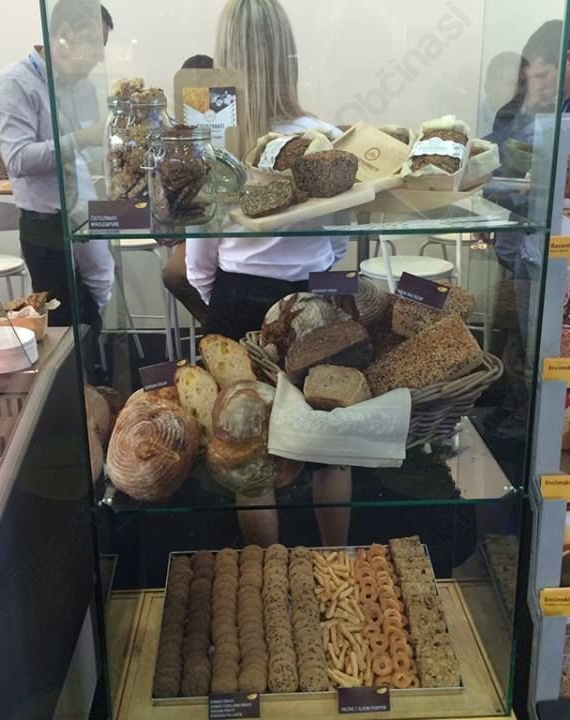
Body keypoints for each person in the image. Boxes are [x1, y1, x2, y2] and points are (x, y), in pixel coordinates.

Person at [187, 0, 352, 548]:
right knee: (330, 448)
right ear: (288, 55)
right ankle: (338, 566)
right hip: (311, 302)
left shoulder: (212, 141)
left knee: (248, 459)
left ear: (225, 56)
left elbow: (199, 259)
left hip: (235, 298)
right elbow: (338, 242)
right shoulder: (324, 138)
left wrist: (224, 301)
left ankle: (268, 577)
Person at [0, 1, 115, 380]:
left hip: (86, 215)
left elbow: (90, 156)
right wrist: (81, 138)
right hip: (46, 224)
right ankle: (74, 396)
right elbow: (18, 159)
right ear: (63, 36)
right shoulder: (15, 83)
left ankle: (92, 388)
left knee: (95, 307)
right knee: (67, 322)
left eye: (102, 47)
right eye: (92, 45)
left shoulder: (82, 85)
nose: (98, 57)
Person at [160, 54, 217, 326]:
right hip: (195, 226)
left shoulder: (236, 124)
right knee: (173, 274)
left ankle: (218, 324)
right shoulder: (174, 136)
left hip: (226, 226)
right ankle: (214, 324)